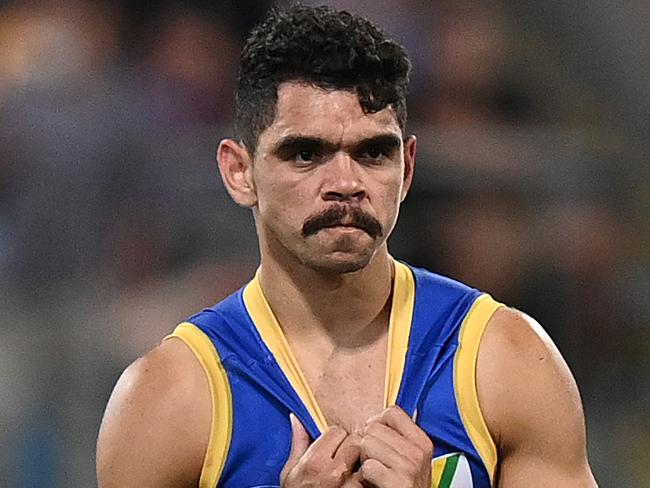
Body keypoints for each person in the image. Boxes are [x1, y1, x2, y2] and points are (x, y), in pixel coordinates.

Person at [96, 5, 597, 487]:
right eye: (306, 153)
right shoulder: (169, 399)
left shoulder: (506, 358)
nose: (345, 182)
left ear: (408, 167)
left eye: (373, 151)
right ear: (239, 171)